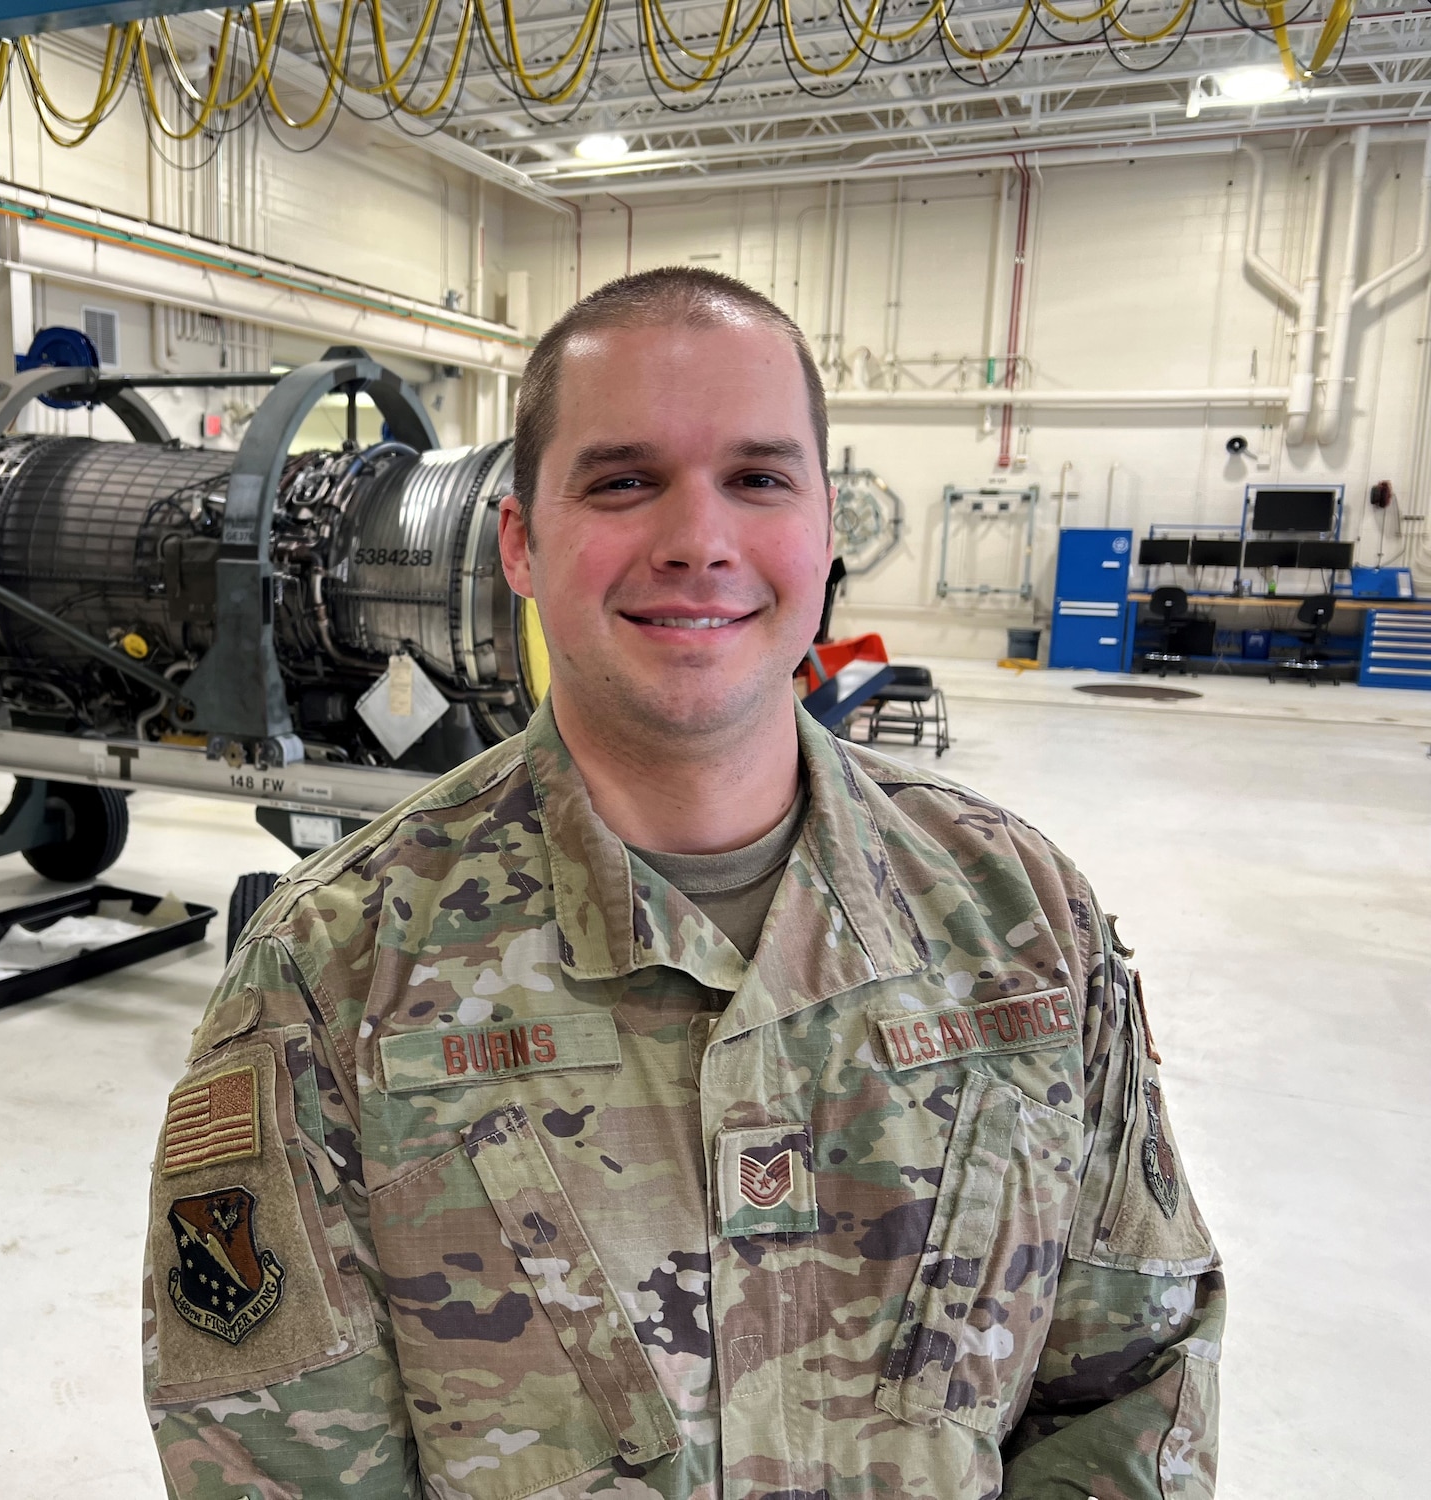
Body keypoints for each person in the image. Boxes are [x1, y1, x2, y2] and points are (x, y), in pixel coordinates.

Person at [141, 267, 1223, 1499]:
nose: (697, 541)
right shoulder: (331, 972)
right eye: (621, 481)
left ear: (824, 528)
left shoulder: (1026, 921)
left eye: (757, 479)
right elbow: (271, 1460)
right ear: (519, 543)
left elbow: (1134, 1381)